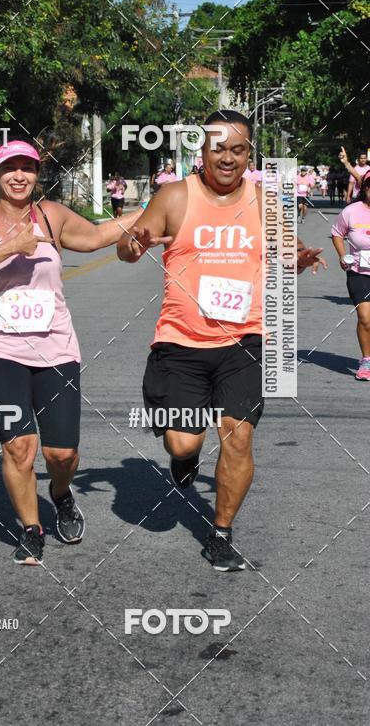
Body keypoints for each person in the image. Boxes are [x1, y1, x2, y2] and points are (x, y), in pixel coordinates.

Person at [117, 109, 325, 572]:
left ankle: (221, 532)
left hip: (243, 342)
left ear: (249, 153)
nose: (227, 157)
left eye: (237, 149)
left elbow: (286, 252)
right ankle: (184, 461)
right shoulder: (174, 196)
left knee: (239, 437)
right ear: (202, 150)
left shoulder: (265, 202)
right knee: (183, 444)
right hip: (180, 343)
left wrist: (300, 259)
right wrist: (134, 244)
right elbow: (129, 247)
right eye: (218, 148)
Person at [0, 139, 140, 565]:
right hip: (0, 348)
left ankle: (60, 492)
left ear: (37, 174)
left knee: (61, 454)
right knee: (19, 448)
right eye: (9, 168)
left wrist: (157, 209)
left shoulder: (51, 217)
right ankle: (32, 529)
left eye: (27, 168)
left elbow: (96, 236)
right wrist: (8, 247)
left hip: (56, 347)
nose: (19, 175)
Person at [331, 173, 370, 381]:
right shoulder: (351, 211)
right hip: (359, 272)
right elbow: (337, 233)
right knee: (365, 318)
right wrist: (341, 255)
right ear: (364, 189)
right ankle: (366, 360)